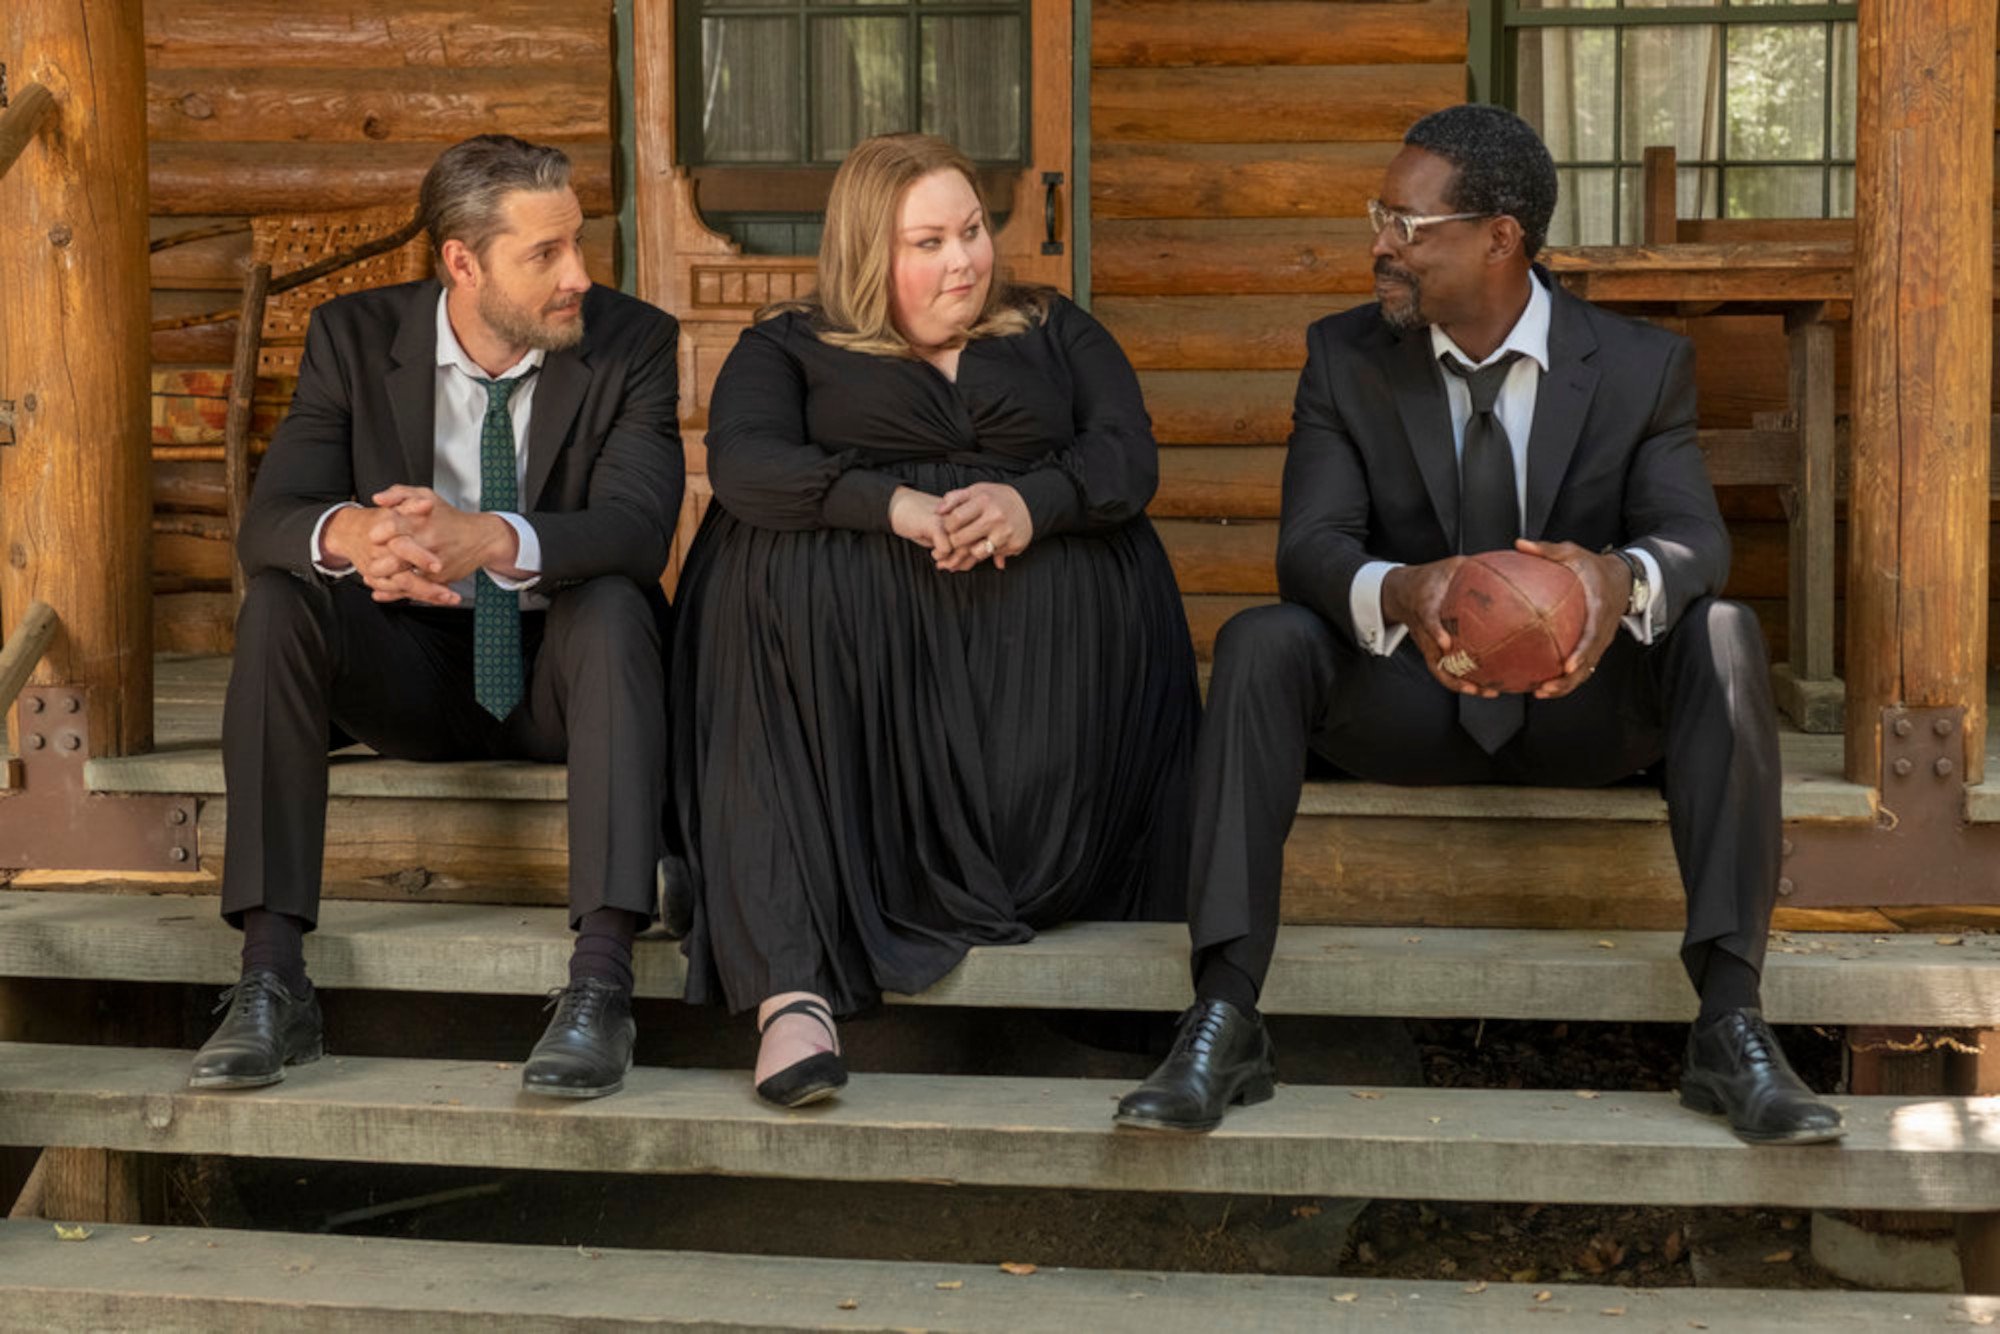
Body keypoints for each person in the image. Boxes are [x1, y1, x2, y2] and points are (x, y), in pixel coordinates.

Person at [1114, 104, 1844, 1146]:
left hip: (1581, 710)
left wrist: (1609, 580)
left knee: (1722, 630)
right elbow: (1310, 548)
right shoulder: (1344, 356)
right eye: (1379, 216)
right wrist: (1404, 592)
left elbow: (1693, 542)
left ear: (1499, 235)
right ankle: (1223, 1013)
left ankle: (1729, 1021)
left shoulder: (1640, 365)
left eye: (1406, 225)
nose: (1379, 242)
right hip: (1406, 705)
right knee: (1258, 638)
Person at [668, 132, 1198, 1108]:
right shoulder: (786, 345)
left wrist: (1033, 503)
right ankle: (792, 991)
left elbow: (1125, 458)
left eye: (972, 230)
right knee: (755, 576)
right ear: (870, 255)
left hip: (1035, 684)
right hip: (850, 673)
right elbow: (745, 465)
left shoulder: (1051, 327)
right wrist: (894, 507)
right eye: (928, 242)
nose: (964, 259)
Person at [191, 134, 685, 1100]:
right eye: (544, 255)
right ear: (463, 262)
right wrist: (360, 534)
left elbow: (636, 529)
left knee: (620, 605)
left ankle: (601, 987)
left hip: (561, 677)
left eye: (576, 244)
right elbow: (272, 523)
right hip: (408, 671)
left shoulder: (635, 342)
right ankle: (269, 977)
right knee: (284, 598)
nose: (578, 275)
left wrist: (490, 539)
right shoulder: (352, 337)